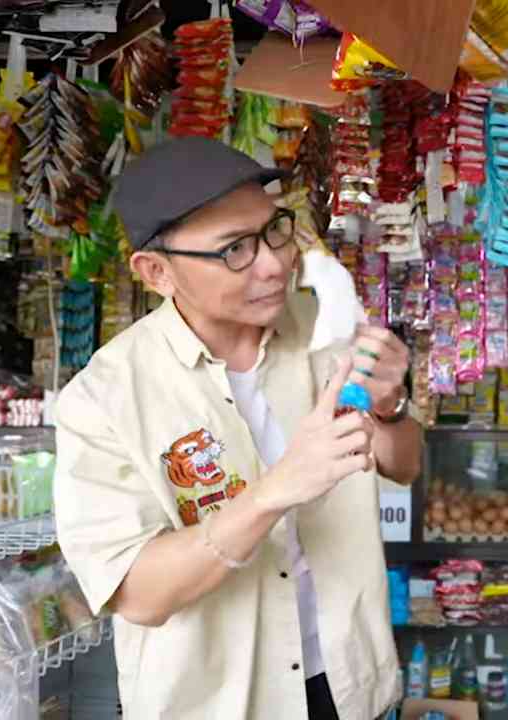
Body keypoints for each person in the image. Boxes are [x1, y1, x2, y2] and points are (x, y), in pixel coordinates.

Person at [53, 137, 421, 720]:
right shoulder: (104, 399)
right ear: (156, 272)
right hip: (217, 702)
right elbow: (139, 594)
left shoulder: (326, 331)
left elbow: (404, 464)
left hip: (347, 683)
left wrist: (390, 407)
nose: (274, 262)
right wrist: (275, 492)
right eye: (234, 250)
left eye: (275, 230)